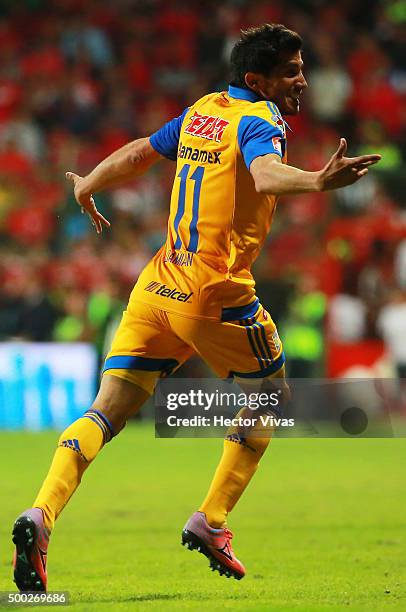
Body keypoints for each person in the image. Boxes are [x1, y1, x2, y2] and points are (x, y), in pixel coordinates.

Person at [12, 23, 381, 590]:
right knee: (272, 395)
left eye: (302, 67)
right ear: (257, 80)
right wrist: (316, 180)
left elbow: (140, 152)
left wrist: (88, 183)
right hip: (215, 291)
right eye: (291, 71)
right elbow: (264, 174)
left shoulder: (204, 109)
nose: (302, 80)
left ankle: (40, 514)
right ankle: (210, 521)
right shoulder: (261, 121)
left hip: (158, 285)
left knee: (105, 411)